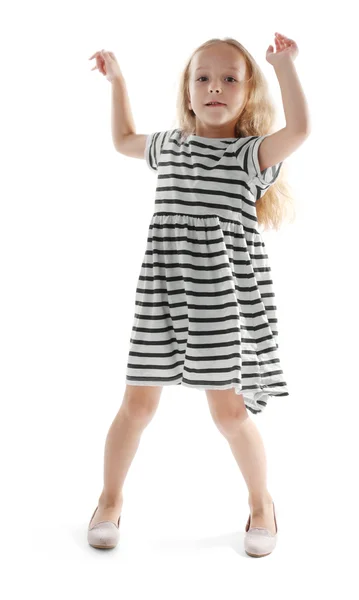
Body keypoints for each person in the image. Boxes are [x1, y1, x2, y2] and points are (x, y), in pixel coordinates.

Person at [87, 33, 310, 556]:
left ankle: (262, 504)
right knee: (136, 406)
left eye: (230, 79)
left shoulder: (250, 155)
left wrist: (285, 66)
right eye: (203, 78)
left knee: (230, 414)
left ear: (247, 91)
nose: (215, 87)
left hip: (221, 303)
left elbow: (300, 129)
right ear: (188, 93)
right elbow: (122, 139)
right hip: (163, 297)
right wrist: (118, 81)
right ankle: (109, 500)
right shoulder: (169, 145)